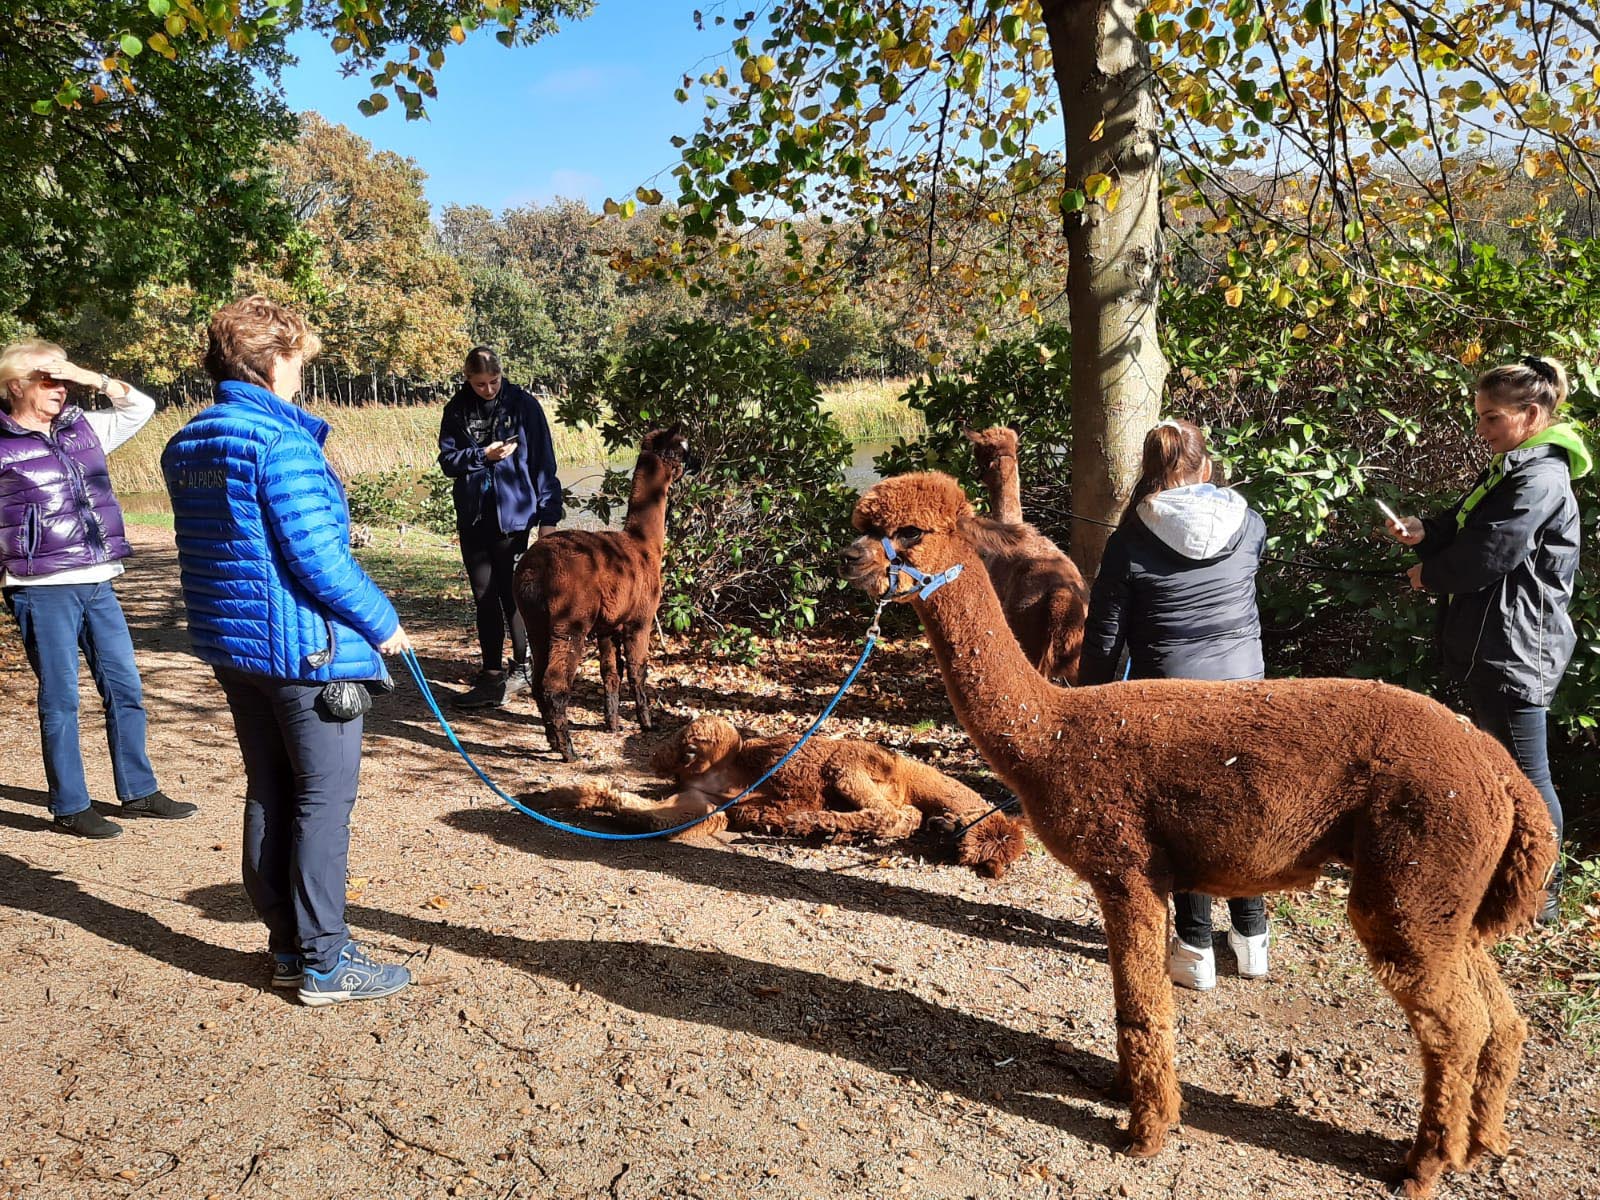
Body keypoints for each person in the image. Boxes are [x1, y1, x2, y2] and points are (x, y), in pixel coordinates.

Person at [162, 295, 412, 1006]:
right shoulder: (281, 442)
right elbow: (320, 560)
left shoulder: (188, 443)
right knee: (323, 803)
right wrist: (382, 620)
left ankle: (288, 949)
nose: (301, 377)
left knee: (270, 789)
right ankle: (327, 963)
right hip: (305, 654)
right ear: (273, 360)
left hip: (235, 649)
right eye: (299, 362)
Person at [1384, 355, 1587, 926]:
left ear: (1531, 414)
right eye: (1479, 416)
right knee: (1505, 766)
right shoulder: (1513, 466)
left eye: (1492, 418)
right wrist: (1427, 532)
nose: (1482, 430)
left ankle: (1538, 898)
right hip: (1499, 639)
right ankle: (1511, 880)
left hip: (1519, 644)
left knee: (1527, 772)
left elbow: (1492, 554)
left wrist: (1431, 574)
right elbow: (1469, 525)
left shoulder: (1540, 476)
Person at [1080, 418, 1271, 990]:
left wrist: (1090, 703)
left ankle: (1194, 949)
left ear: (1148, 469)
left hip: (1171, 698)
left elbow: (1105, 635)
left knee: (1184, 820)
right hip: (1248, 690)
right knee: (1242, 810)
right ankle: (1253, 938)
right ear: (1207, 467)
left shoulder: (1130, 539)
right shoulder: (1250, 522)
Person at [0, 340, 198, 839]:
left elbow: (141, 406)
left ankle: (138, 791)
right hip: (39, 585)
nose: (59, 387)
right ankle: (70, 803)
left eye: (63, 378)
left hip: (98, 577)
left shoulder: (81, 430)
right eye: (48, 379)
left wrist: (92, 377)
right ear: (15, 386)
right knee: (61, 697)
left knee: (125, 687)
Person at [437, 346, 563, 709]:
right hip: (475, 515)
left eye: (494, 382)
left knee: (513, 593)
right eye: (480, 384)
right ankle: (491, 673)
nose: (488, 390)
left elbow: (543, 464)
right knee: (483, 595)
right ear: (467, 380)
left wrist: (548, 518)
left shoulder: (523, 406)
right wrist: (483, 455)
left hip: (515, 515)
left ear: (501, 375)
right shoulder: (457, 409)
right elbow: (448, 461)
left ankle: (523, 667)